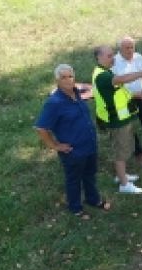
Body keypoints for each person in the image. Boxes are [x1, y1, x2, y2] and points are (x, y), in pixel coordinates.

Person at [34, 64, 109, 219]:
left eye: (70, 76)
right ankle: (75, 208)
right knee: (73, 180)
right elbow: (41, 128)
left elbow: (90, 89)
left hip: (89, 146)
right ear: (57, 80)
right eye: (63, 77)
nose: (68, 80)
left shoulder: (77, 93)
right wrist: (55, 146)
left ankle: (93, 199)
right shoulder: (54, 103)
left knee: (90, 175)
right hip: (73, 151)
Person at [92, 45, 142, 194]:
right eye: (109, 56)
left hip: (119, 117)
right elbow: (122, 79)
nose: (113, 58)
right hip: (116, 120)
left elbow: (117, 92)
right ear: (99, 58)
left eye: (112, 55)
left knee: (122, 148)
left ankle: (122, 175)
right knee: (120, 152)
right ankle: (124, 184)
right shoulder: (103, 76)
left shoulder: (104, 71)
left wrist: (134, 95)